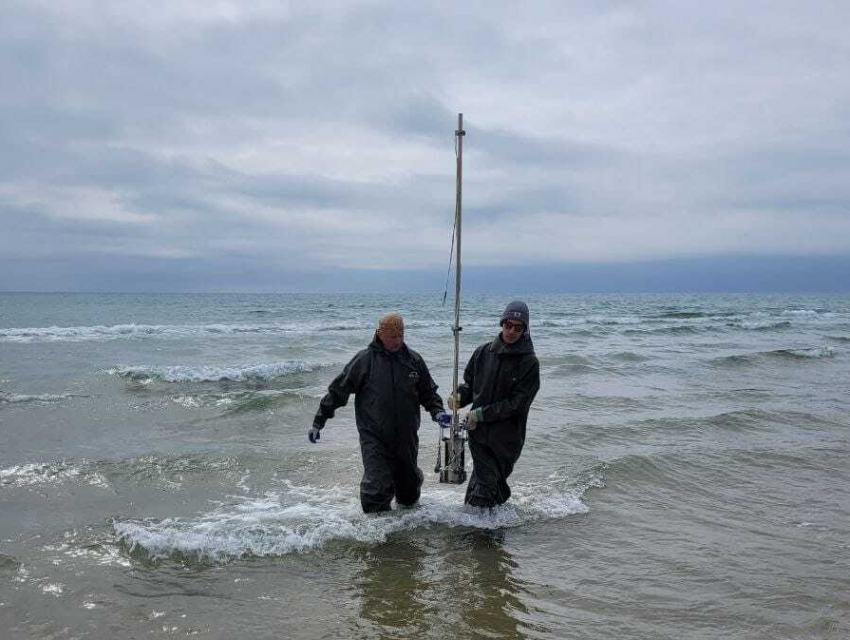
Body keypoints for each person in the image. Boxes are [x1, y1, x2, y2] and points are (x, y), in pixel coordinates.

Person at [308, 313, 445, 513]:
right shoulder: (364, 360)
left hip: (406, 436)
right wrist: (318, 421)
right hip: (374, 436)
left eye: (401, 335)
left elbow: (428, 393)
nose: (397, 341)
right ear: (380, 334)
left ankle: (404, 536)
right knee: (377, 487)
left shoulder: (413, 360)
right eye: (392, 336)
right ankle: (374, 536)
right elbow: (338, 391)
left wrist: (438, 413)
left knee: (408, 489)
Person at [448, 301, 540, 509]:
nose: (511, 331)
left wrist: (481, 414)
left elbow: (517, 404)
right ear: (502, 323)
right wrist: (458, 397)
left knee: (490, 485)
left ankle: (487, 532)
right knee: (485, 487)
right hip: (478, 434)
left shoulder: (529, 363)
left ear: (525, 330)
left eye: (518, 327)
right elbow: (471, 386)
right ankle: (482, 533)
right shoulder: (483, 352)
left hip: (507, 439)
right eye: (508, 325)